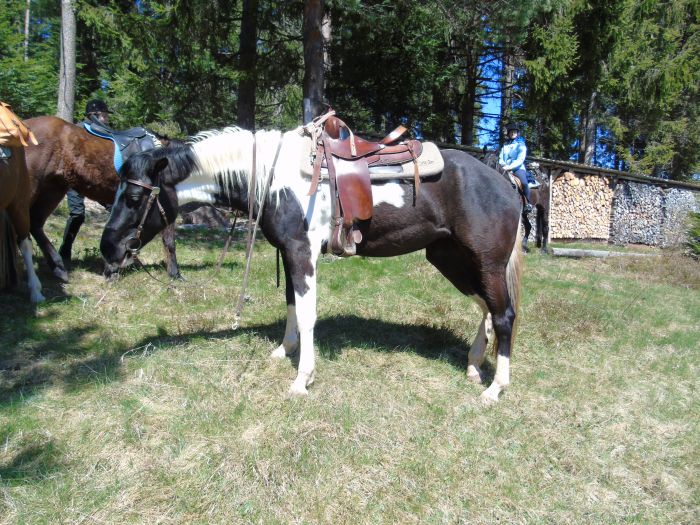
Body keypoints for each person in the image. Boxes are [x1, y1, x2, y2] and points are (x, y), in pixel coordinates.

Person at [59, 100, 112, 265]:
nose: (107, 118)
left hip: (97, 180)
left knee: (115, 211)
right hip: (76, 179)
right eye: (104, 115)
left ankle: (111, 250)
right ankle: (64, 250)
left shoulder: (106, 133)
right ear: (94, 115)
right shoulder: (76, 131)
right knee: (77, 214)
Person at [498, 123, 533, 212]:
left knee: (524, 183)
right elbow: (501, 158)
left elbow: (520, 159)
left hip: (517, 168)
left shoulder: (521, 145)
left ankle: (528, 203)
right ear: (509, 134)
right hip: (504, 168)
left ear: (517, 133)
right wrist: (503, 165)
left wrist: (509, 167)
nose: (513, 133)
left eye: (515, 132)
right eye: (511, 132)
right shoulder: (505, 146)